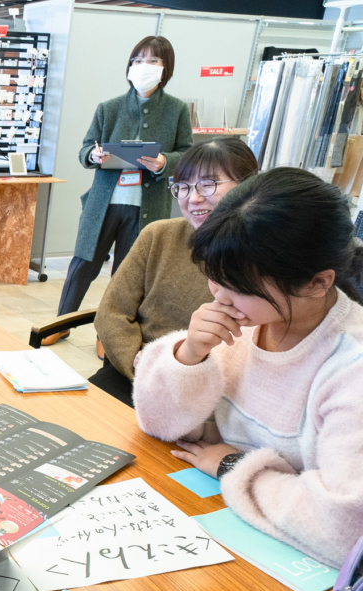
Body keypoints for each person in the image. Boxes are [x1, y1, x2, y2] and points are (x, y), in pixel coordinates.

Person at [133, 168, 363, 567]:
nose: (220, 298)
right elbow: (159, 425)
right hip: (222, 520)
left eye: (239, 287)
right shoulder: (247, 322)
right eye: (214, 278)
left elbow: (343, 529)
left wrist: (233, 466)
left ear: (317, 283)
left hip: (294, 567)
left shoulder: (350, 367)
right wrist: (189, 355)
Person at [45, 35, 193, 345]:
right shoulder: (108, 108)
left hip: (146, 207)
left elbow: (187, 154)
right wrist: (94, 155)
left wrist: (165, 161)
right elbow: (86, 149)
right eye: (137, 60)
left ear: (165, 67)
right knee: (83, 263)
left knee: (127, 274)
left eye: (152, 60)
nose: (143, 66)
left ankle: (108, 335)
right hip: (105, 202)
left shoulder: (177, 110)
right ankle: (60, 323)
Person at [91, 138, 258, 405]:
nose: (193, 198)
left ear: (248, 186)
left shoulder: (264, 256)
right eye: (183, 187)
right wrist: (141, 364)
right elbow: (112, 313)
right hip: (137, 374)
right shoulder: (159, 236)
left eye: (207, 184)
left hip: (208, 394)